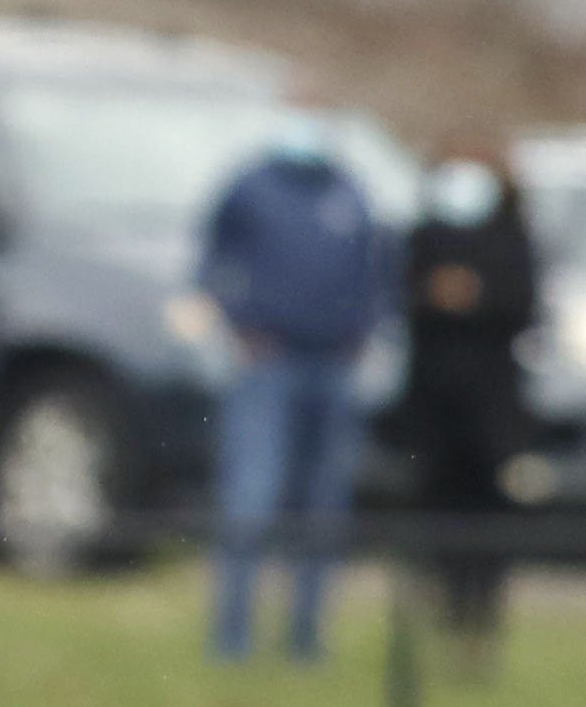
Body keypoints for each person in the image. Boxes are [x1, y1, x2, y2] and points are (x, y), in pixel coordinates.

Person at [198, 104, 389, 663]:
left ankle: (306, 641)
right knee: (251, 500)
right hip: (268, 363)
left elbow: (378, 274)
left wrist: (367, 332)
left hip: (334, 365)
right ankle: (231, 639)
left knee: (323, 510)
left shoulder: (351, 192)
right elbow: (209, 259)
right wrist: (237, 322)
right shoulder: (252, 186)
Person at [394, 148, 540, 674]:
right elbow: (399, 297)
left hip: (491, 411)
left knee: (488, 523)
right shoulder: (425, 235)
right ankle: (445, 617)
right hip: (434, 410)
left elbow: (526, 305)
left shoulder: (512, 239)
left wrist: (478, 295)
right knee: (436, 515)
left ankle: (482, 623)